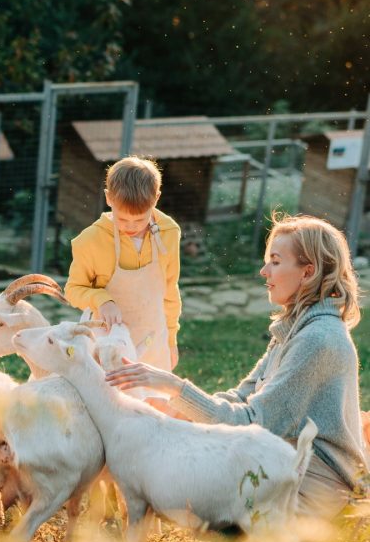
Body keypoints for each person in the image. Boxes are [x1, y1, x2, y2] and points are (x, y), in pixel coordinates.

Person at [106, 213, 369, 519]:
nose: (263, 270)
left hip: (319, 483)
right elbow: (240, 397)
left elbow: (251, 421)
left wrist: (174, 386)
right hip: (286, 462)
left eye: (275, 261)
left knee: (195, 493)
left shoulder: (318, 339)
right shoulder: (294, 328)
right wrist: (177, 410)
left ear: (307, 272)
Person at [65, 155, 181, 372]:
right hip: (106, 342)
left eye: (139, 220)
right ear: (109, 198)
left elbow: (169, 289)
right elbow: (73, 290)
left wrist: (171, 340)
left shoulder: (169, 232)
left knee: (152, 401)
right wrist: (102, 300)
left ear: (156, 199)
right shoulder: (90, 240)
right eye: (122, 219)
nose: (131, 226)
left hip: (153, 338)